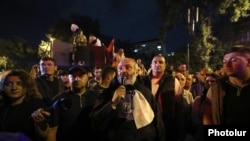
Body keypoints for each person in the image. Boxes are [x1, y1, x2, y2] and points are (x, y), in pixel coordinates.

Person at [89, 58, 165, 141]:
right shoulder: (108, 92)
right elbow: (95, 121)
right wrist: (112, 103)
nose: (123, 71)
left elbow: (157, 120)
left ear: (137, 71)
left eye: (128, 67)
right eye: (120, 68)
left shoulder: (145, 92)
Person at [32, 66, 99, 141]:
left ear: (87, 77)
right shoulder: (59, 99)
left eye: (81, 75)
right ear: (69, 78)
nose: (77, 79)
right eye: (73, 76)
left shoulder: (95, 96)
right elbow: (52, 130)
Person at [142, 54, 191, 141]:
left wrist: (180, 131)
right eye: (155, 62)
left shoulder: (173, 81)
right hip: (147, 123)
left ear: (165, 65)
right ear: (151, 65)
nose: (158, 64)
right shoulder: (143, 81)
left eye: (161, 62)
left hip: (167, 123)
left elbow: (178, 107)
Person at [205, 45, 250, 125]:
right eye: (224, 61)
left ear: (248, 62)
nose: (227, 65)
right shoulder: (216, 89)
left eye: (233, 60)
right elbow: (207, 116)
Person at [0, 69, 47, 141]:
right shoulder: (2, 105)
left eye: (19, 84)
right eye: (9, 84)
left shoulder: (36, 105)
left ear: (28, 86)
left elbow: (43, 134)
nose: (14, 88)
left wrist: (40, 123)